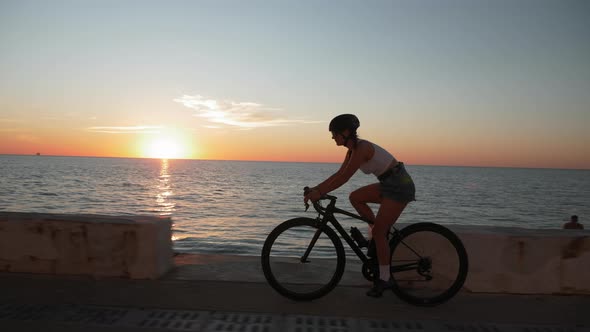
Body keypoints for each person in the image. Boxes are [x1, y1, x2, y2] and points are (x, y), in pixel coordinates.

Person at [304, 114, 416, 298]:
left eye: (334, 133)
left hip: (399, 185)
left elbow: (344, 178)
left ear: (346, 132)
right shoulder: (352, 150)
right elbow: (338, 173)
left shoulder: (362, 148)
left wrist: (320, 193)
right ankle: (376, 239)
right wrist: (316, 189)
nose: (332, 137)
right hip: (389, 183)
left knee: (380, 233)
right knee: (355, 197)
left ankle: (386, 278)